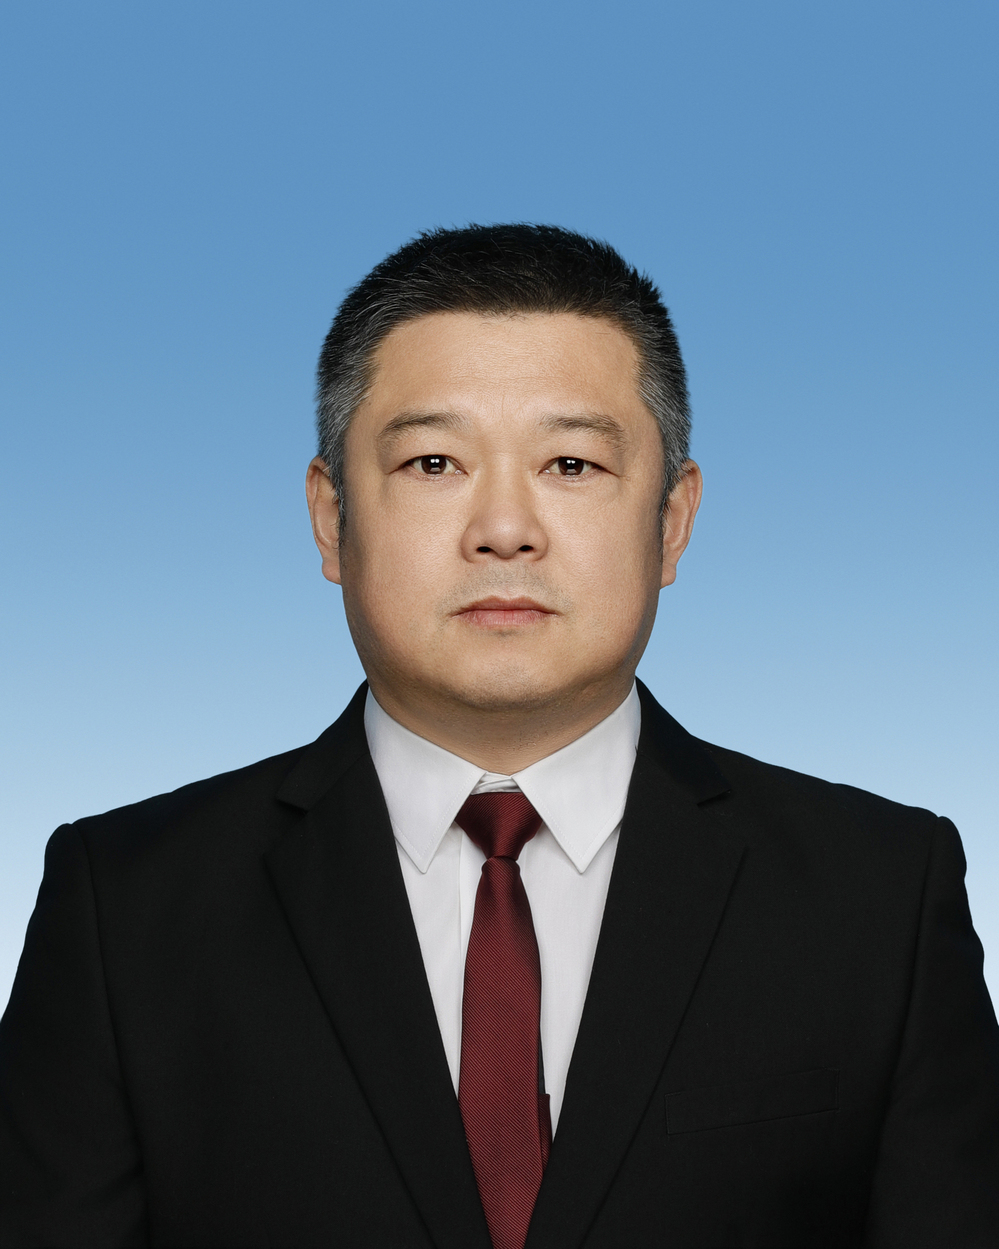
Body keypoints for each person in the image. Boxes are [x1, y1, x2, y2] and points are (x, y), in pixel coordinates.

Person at [1, 224, 997, 1249]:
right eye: (434, 461)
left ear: (671, 521)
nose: (505, 528)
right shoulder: (126, 906)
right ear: (331, 518)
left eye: (571, 462)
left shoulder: (878, 896)